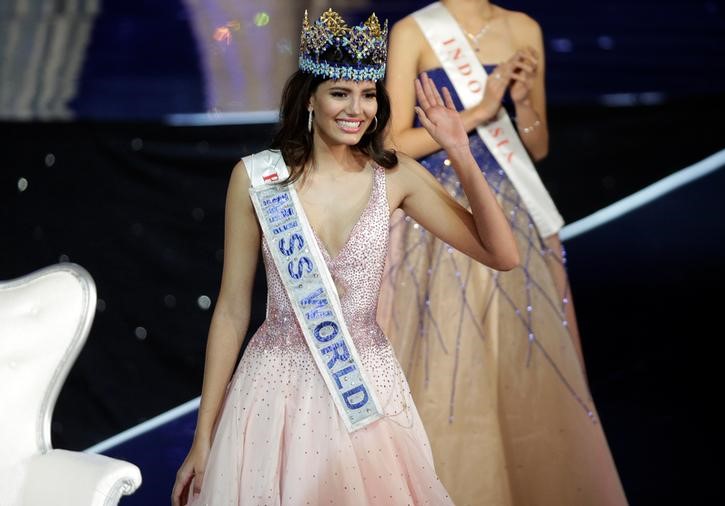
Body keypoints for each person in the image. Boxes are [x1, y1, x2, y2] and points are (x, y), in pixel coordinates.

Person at [171, 8, 520, 505]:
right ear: (310, 99)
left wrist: (460, 154)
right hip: (273, 389)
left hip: (365, 387)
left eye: (368, 93)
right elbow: (230, 310)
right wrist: (203, 439)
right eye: (340, 92)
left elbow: (502, 254)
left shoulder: (393, 175)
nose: (356, 108)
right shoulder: (256, 178)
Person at [379, 1, 628, 505]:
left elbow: (535, 146)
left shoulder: (524, 28)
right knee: (447, 369)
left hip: (513, 210)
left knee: (526, 370)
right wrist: (479, 112)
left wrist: (522, 102)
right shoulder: (413, 32)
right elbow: (391, 143)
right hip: (443, 216)